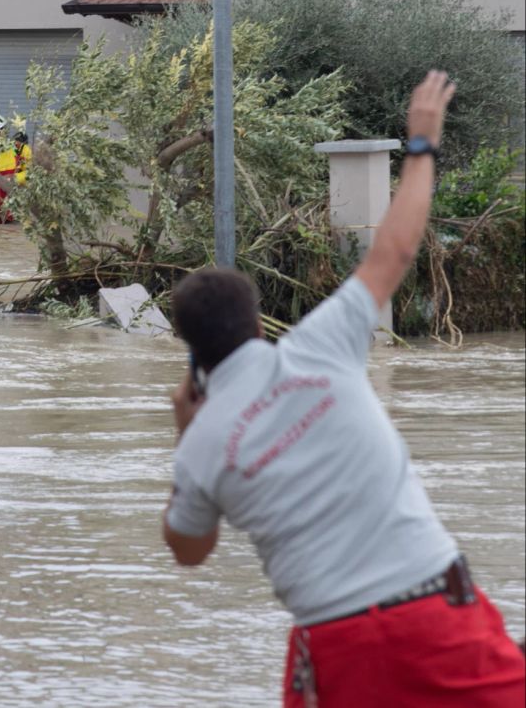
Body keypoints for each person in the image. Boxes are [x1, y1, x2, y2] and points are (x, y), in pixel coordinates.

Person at [163, 71, 525, 707]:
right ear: (256, 324)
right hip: (440, 615)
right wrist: (421, 145)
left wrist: (188, 434)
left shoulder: (202, 445)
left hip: (339, 650)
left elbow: (190, 550)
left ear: (192, 357)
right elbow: (395, 247)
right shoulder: (320, 345)